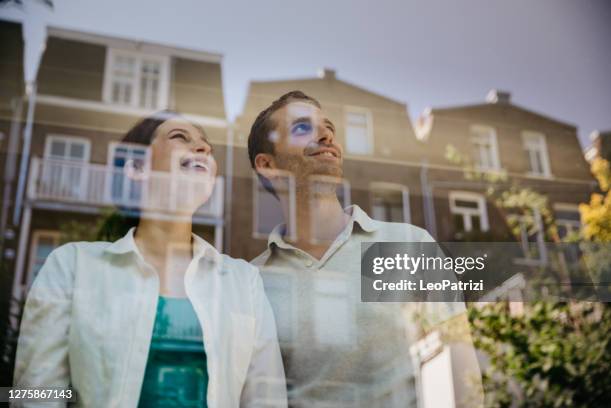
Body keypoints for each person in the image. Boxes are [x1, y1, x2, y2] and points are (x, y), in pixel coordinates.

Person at [14, 111, 287, 407]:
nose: (204, 149)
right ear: (136, 167)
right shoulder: (72, 266)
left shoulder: (243, 281)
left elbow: (267, 400)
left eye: (207, 146)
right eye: (180, 137)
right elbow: (32, 394)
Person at [248, 91, 484, 407]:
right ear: (267, 165)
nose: (326, 135)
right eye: (302, 128)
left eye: (328, 127)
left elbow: (461, 370)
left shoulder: (412, 245)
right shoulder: (250, 282)